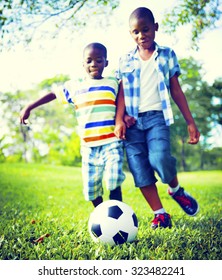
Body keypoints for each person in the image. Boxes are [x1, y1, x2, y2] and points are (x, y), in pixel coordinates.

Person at [114, 7, 200, 229]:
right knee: (139, 169)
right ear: (130, 34)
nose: (141, 35)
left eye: (145, 29)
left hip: (157, 118)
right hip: (132, 123)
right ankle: (160, 214)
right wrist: (119, 120)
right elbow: (121, 92)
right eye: (135, 32)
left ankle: (175, 189)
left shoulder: (167, 54)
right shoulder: (125, 60)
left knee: (160, 158)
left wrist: (190, 121)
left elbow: (176, 90)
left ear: (155, 28)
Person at [20, 42, 125, 207]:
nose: (94, 64)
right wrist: (29, 106)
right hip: (88, 146)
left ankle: (116, 203)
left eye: (99, 60)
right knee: (91, 190)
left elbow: (123, 100)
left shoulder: (113, 82)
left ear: (106, 62)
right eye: (89, 61)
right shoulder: (75, 85)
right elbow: (53, 94)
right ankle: (101, 214)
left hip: (111, 140)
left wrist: (125, 118)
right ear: (83, 64)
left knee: (113, 178)